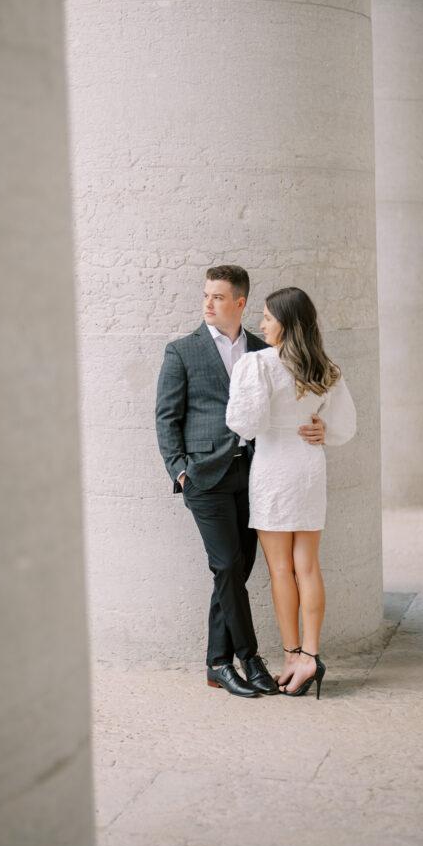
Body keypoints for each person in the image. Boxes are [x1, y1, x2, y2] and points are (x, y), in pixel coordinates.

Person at [155, 266, 326, 697]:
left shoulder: (262, 346)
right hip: (205, 478)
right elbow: (166, 417)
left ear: (240, 302)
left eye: (217, 296)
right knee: (228, 566)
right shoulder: (182, 351)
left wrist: (321, 427)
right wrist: (180, 469)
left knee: (235, 571)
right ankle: (245, 656)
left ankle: (217, 664)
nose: (208, 303)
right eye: (205, 295)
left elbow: (298, 397)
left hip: (255, 475)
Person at [226, 286, 356, 698]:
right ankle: (312, 657)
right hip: (309, 467)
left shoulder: (258, 364)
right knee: (308, 567)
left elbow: (244, 424)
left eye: (267, 317)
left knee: (281, 570)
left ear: (285, 321)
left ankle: (292, 655)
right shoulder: (325, 367)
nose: (261, 324)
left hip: (273, 469)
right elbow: (344, 427)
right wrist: (321, 428)